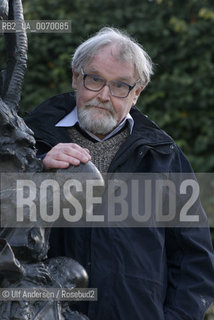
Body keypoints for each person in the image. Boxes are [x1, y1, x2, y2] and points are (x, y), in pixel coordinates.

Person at [25, 27, 214, 320]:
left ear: (136, 93)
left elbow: (195, 260)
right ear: (76, 77)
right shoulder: (26, 140)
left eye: (120, 86)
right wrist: (35, 168)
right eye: (95, 79)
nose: (103, 95)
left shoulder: (164, 157)